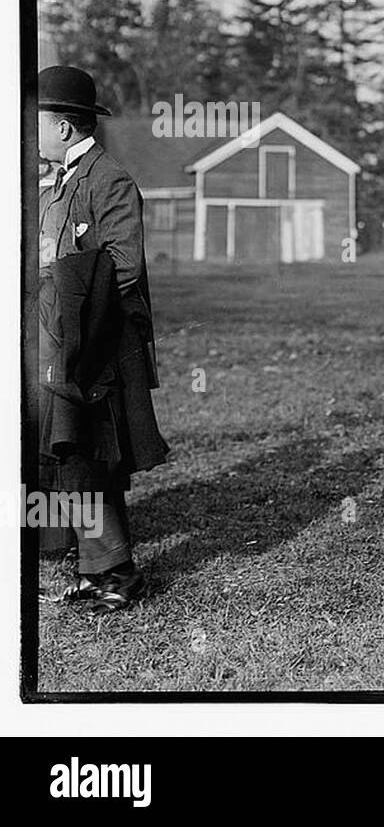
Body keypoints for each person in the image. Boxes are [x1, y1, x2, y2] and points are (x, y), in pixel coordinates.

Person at [36, 65, 169, 613]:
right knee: (70, 455)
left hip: (96, 346)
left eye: (33, 123)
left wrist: (53, 260)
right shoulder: (56, 180)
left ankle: (116, 573)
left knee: (87, 455)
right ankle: (93, 567)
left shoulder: (108, 179)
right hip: (56, 338)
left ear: (64, 128)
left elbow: (124, 267)